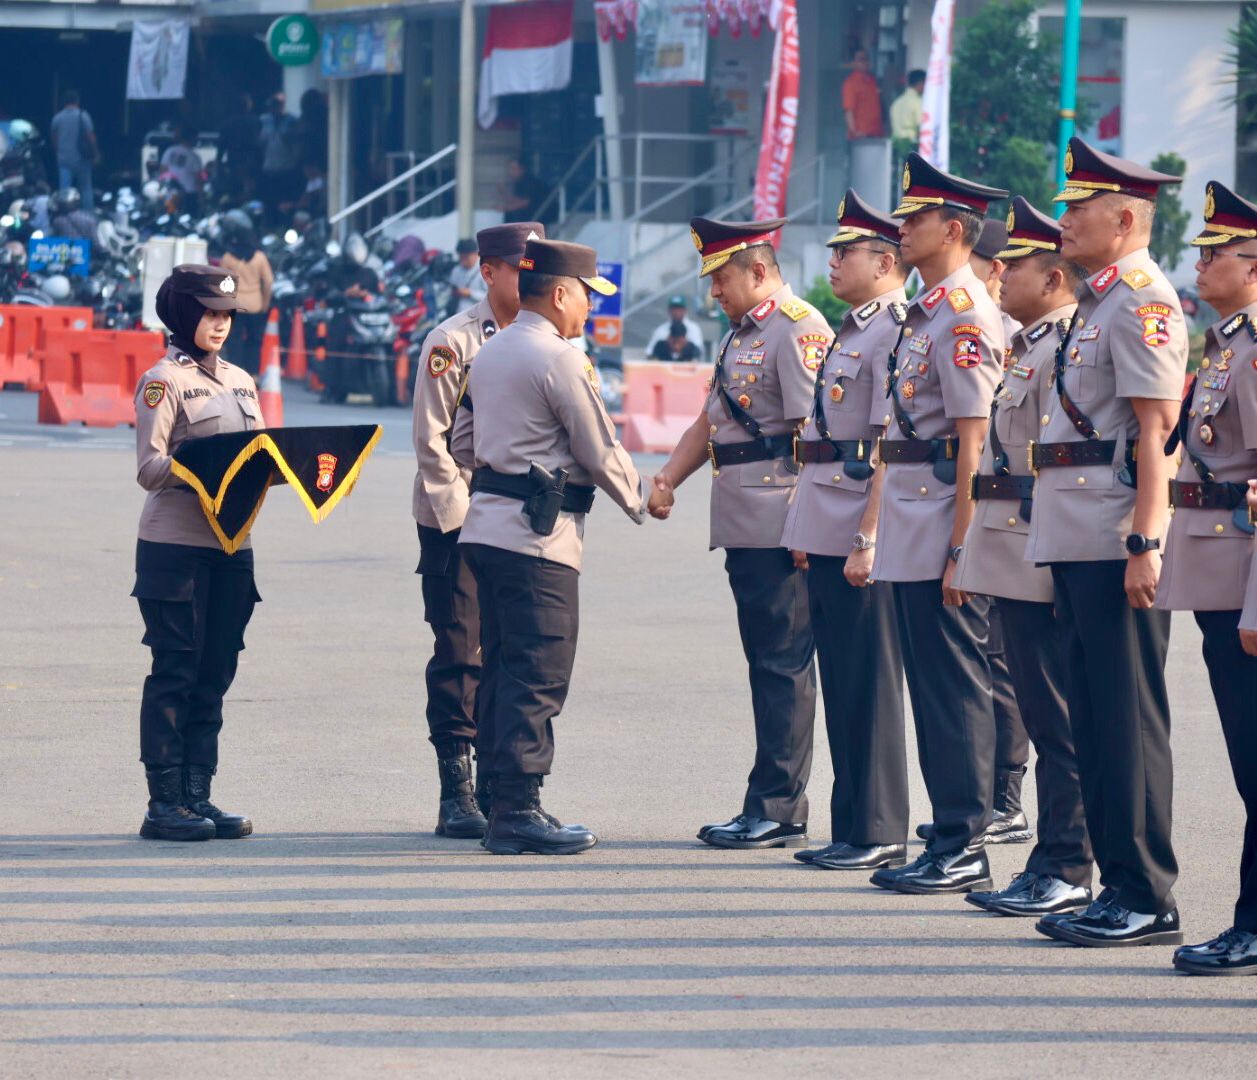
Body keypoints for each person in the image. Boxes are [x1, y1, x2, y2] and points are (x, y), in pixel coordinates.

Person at [450, 238, 671, 854]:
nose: (589, 311)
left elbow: (462, 442)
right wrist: (644, 498)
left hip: (486, 527)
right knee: (537, 670)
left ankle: (499, 798)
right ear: (561, 293)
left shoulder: (489, 352)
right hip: (537, 538)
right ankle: (519, 810)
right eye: (586, 298)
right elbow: (597, 446)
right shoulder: (561, 358)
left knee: (501, 666)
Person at [1024, 138, 1187, 948]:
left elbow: (1158, 432)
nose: (1063, 221)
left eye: (1077, 209)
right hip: (1075, 532)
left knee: (1127, 721)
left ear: (1122, 220)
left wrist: (1144, 540)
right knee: (1090, 718)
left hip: (1113, 533)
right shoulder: (1098, 301)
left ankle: (1146, 893)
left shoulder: (1142, 301)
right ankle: (1116, 884)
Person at [655, 217, 829, 850]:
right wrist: (668, 478)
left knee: (782, 664)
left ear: (758, 271)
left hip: (780, 520)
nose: (713, 292)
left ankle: (778, 807)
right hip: (747, 521)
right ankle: (770, 800)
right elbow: (713, 421)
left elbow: (817, 433)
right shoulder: (742, 333)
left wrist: (809, 522)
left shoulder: (798, 328)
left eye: (721, 279)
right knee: (766, 662)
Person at [867, 154, 1008, 896]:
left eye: (915, 217)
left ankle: (964, 841)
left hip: (941, 523)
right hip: (912, 518)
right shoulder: (928, 310)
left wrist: (962, 546)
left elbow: (974, 441)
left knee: (953, 688)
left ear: (952, 230)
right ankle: (948, 831)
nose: (901, 228)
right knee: (930, 686)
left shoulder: (963, 314)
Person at [953, 197, 1095, 918]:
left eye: (1016, 266)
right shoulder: (1033, 343)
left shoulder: (1065, 344)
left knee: (1057, 716)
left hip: (1039, 545)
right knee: (1041, 711)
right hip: (1014, 542)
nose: (1000, 275)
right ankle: (1051, 859)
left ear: (1055, 278)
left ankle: (1067, 863)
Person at [781, 190, 909, 872]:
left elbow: (888, 443)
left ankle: (880, 827)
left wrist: (868, 536)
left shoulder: (893, 330)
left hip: (858, 529)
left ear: (884, 262)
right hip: (828, 521)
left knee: (870, 684)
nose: (832, 262)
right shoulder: (855, 327)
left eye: (845, 252)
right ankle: (853, 823)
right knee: (843, 680)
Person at [411, 222, 543, 840]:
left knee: (510, 650)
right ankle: (456, 790)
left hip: (518, 515)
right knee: (461, 650)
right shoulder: (453, 341)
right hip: (458, 516)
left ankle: (499, 782)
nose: (532, 278)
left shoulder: (544, 336)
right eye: (520, 268)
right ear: (489, 271)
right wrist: (464, 516)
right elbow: (431, 441)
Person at [1160, 183, 1257, 974]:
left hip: (1244, 592)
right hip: (1219, 581)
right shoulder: (1226, 344)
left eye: (1213, 254)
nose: (1197, 265)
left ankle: (1251, 924)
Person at [131, 265, 262, 842]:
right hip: (174, 547)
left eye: (227, 314)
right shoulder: (162, 381)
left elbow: (257, 453)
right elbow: (149, 468)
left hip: (233, 545)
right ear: (185, 315)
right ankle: (163, 803)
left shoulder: (241, 381)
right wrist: (202, 465)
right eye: (210, 313)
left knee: (216, 670)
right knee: (176, 671)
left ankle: (197, 795)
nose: (220, 324)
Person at [217, 209, 274, 377]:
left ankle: (235, 374)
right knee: (254, 341)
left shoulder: (228, 257)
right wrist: (265, 303)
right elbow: (268, 281)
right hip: (256, 305)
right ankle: (253, 373)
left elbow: (222, 282)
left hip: (235, 305)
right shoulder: (260, 257)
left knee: (234, 340)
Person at [49, 89, 97, 211]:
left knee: (64, 190)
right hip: (82, 160)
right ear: (77, 101)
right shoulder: (83, 116)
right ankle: (88, 215)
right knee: (86, 189)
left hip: (64, 160)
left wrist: (59, 153)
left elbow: (54, 140)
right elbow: (90, 137)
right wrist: (95, 153)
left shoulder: (57, 118)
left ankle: (64, 215)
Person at [258, 94, 298, 223]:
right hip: (269, 167)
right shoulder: (264, 120)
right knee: (269, 202)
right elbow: (260, 142)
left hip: (286, 168)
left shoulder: (292, 121)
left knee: (284, 203)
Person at [159, 125, 204, 212]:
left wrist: (164, 186)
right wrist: (201, 197)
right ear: (192, 138)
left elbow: (163, 170)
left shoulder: (170, 151)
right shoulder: (194, 157)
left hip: (170, 192)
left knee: (169, 215)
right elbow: (199, 178)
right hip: (189, 194)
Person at [842, 49, 884, 141]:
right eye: (861, 59)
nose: (865, 62)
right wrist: (854, 132)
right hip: (861, 136)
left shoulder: (873, 81)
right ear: (853, 63)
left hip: (877, 134)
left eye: (867, 59)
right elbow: (848, 111)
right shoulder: (851, 83)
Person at [502, 158, 549, 225]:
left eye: (513, 168)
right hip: (529, 216)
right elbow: (516, 200)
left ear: (522, 169)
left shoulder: (529, 181)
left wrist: (508, 208)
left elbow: (526, 202)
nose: (511, 172)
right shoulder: (518, 182)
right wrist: (503, 193)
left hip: (540, 215)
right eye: (510, 169)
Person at [448, 238, 489, 314]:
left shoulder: (485, 271)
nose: (463, 260)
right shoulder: (456, 270)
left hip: (478, 315)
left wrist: (470, 294)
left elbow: (492, 298)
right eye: (461, 257)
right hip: (457, 314)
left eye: (466, 257)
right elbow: (449, 291)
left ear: (476, 254)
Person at [890, 70, 925, 151]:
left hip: (896, 146)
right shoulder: (918, 102)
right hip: (912, 146)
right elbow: (921, 126)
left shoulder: (896, 103)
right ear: (921, 84)